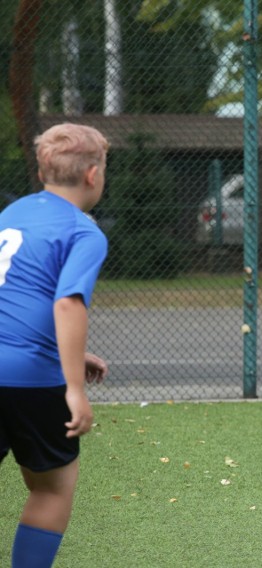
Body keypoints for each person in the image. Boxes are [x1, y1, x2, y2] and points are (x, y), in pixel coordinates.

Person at [0, 123, 110, 567]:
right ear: (92, 174)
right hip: (31, 380)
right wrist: (74, 387)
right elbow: (67, 304)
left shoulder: (11, 215)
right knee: (50, 488)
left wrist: (69, 352)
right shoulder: (83, 232)